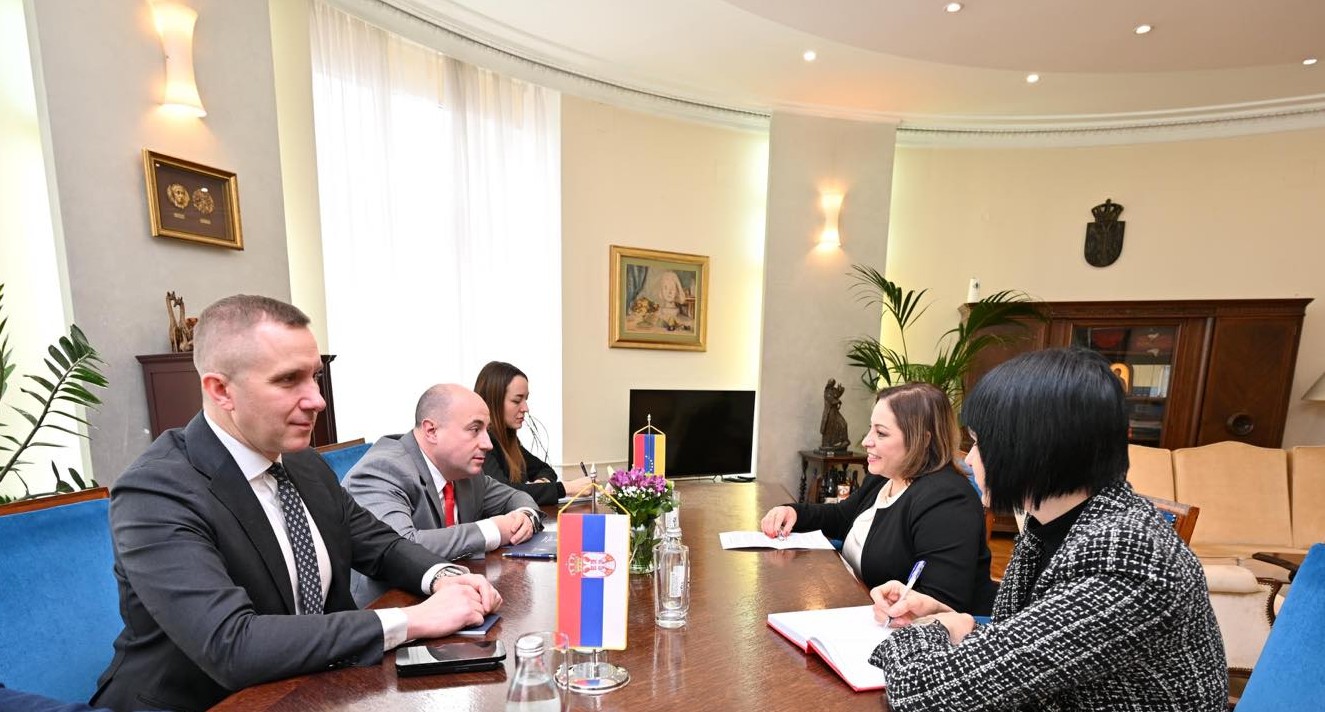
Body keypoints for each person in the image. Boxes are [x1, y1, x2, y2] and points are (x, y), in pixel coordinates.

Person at [92, 295, 501, 712]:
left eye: (314, 376)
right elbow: (232, 645)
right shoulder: (155, 492)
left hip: (317, 687)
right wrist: (412, 620)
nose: (317, 399)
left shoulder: (303, 463)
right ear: (221, 390)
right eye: (289, 380)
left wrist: (444, 577)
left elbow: (381, 545)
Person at [868, 348, 1226, 710]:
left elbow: (922, 694)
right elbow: (1040, 646)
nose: (970, 459)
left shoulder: (1130, 559)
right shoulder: (1053, 523)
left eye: (979, 443)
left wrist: (936, 631)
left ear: (1033, 448)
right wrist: (953, 619)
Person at [760, 383, 995, 614]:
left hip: (904, 629)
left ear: (923, 440)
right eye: (871, 429)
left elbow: (942, 603)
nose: (866, 441)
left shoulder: (947, 501)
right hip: (858, 606)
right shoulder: (885, 476)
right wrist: (794, 512)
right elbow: (842, 516)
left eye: (881, 433)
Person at [343, 383, 543, 604]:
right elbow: (400, 547)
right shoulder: (383, 469)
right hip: (390, 605)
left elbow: (514, 497)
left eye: (487, 430)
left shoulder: (464, 471)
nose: (487, 444)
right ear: (431, 431)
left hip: (456, 596)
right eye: (475, 429)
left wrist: (526, 516)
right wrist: (493, 530)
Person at [474, 361, 591, 506]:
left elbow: (545, 470)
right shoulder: (483, 444)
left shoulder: (509, 441)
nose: (526, 408)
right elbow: (504, 492)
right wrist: (567, 488)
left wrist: (541, 483)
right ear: (493, 402)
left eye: (526, 399)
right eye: (517, 400)